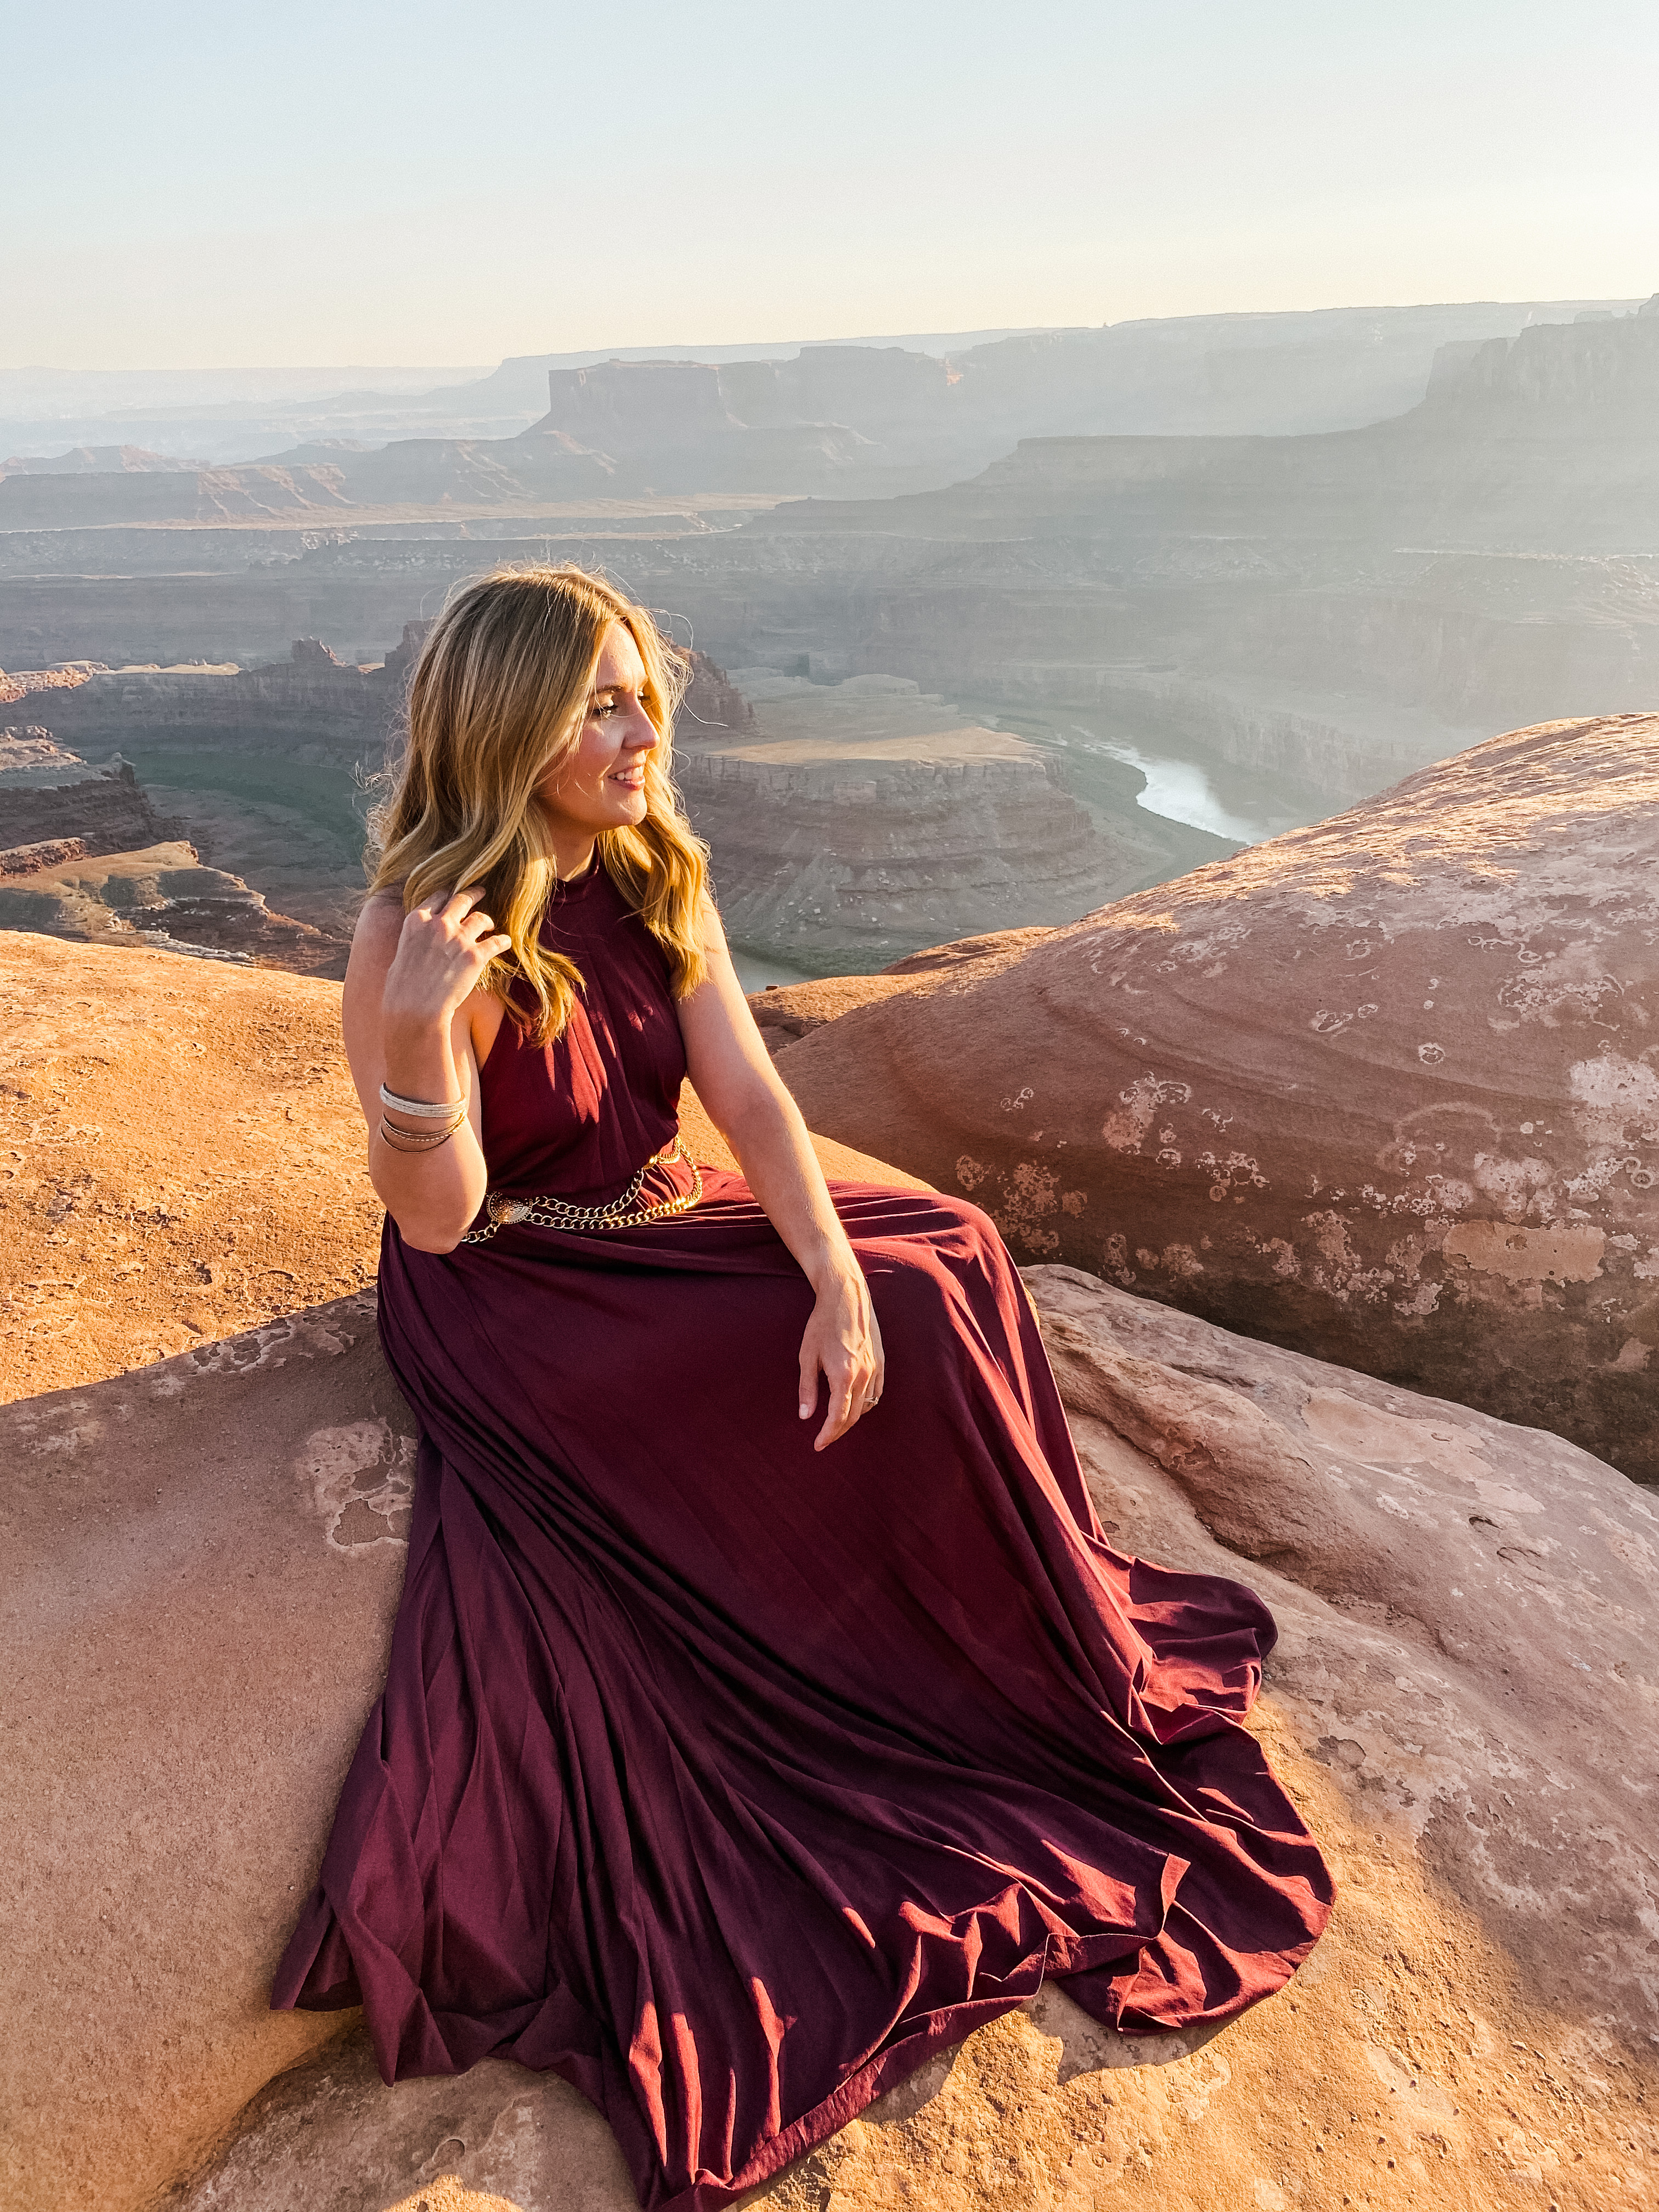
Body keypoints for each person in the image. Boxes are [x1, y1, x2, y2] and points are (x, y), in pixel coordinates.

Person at [273, 565, 1332, 2212]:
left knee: (944, 1255)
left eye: (644, 695)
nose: (641, 732)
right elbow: (442, 1217)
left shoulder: (651, 873)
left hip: (649, 1214)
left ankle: (1029, 1637)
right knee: (888, 1355)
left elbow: (752, 1101)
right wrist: (415, 1052)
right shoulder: (422, 935)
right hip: (525, 1297)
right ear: (510, 725)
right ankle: (939, 1681)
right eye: (601, 703)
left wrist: (833, 1275)